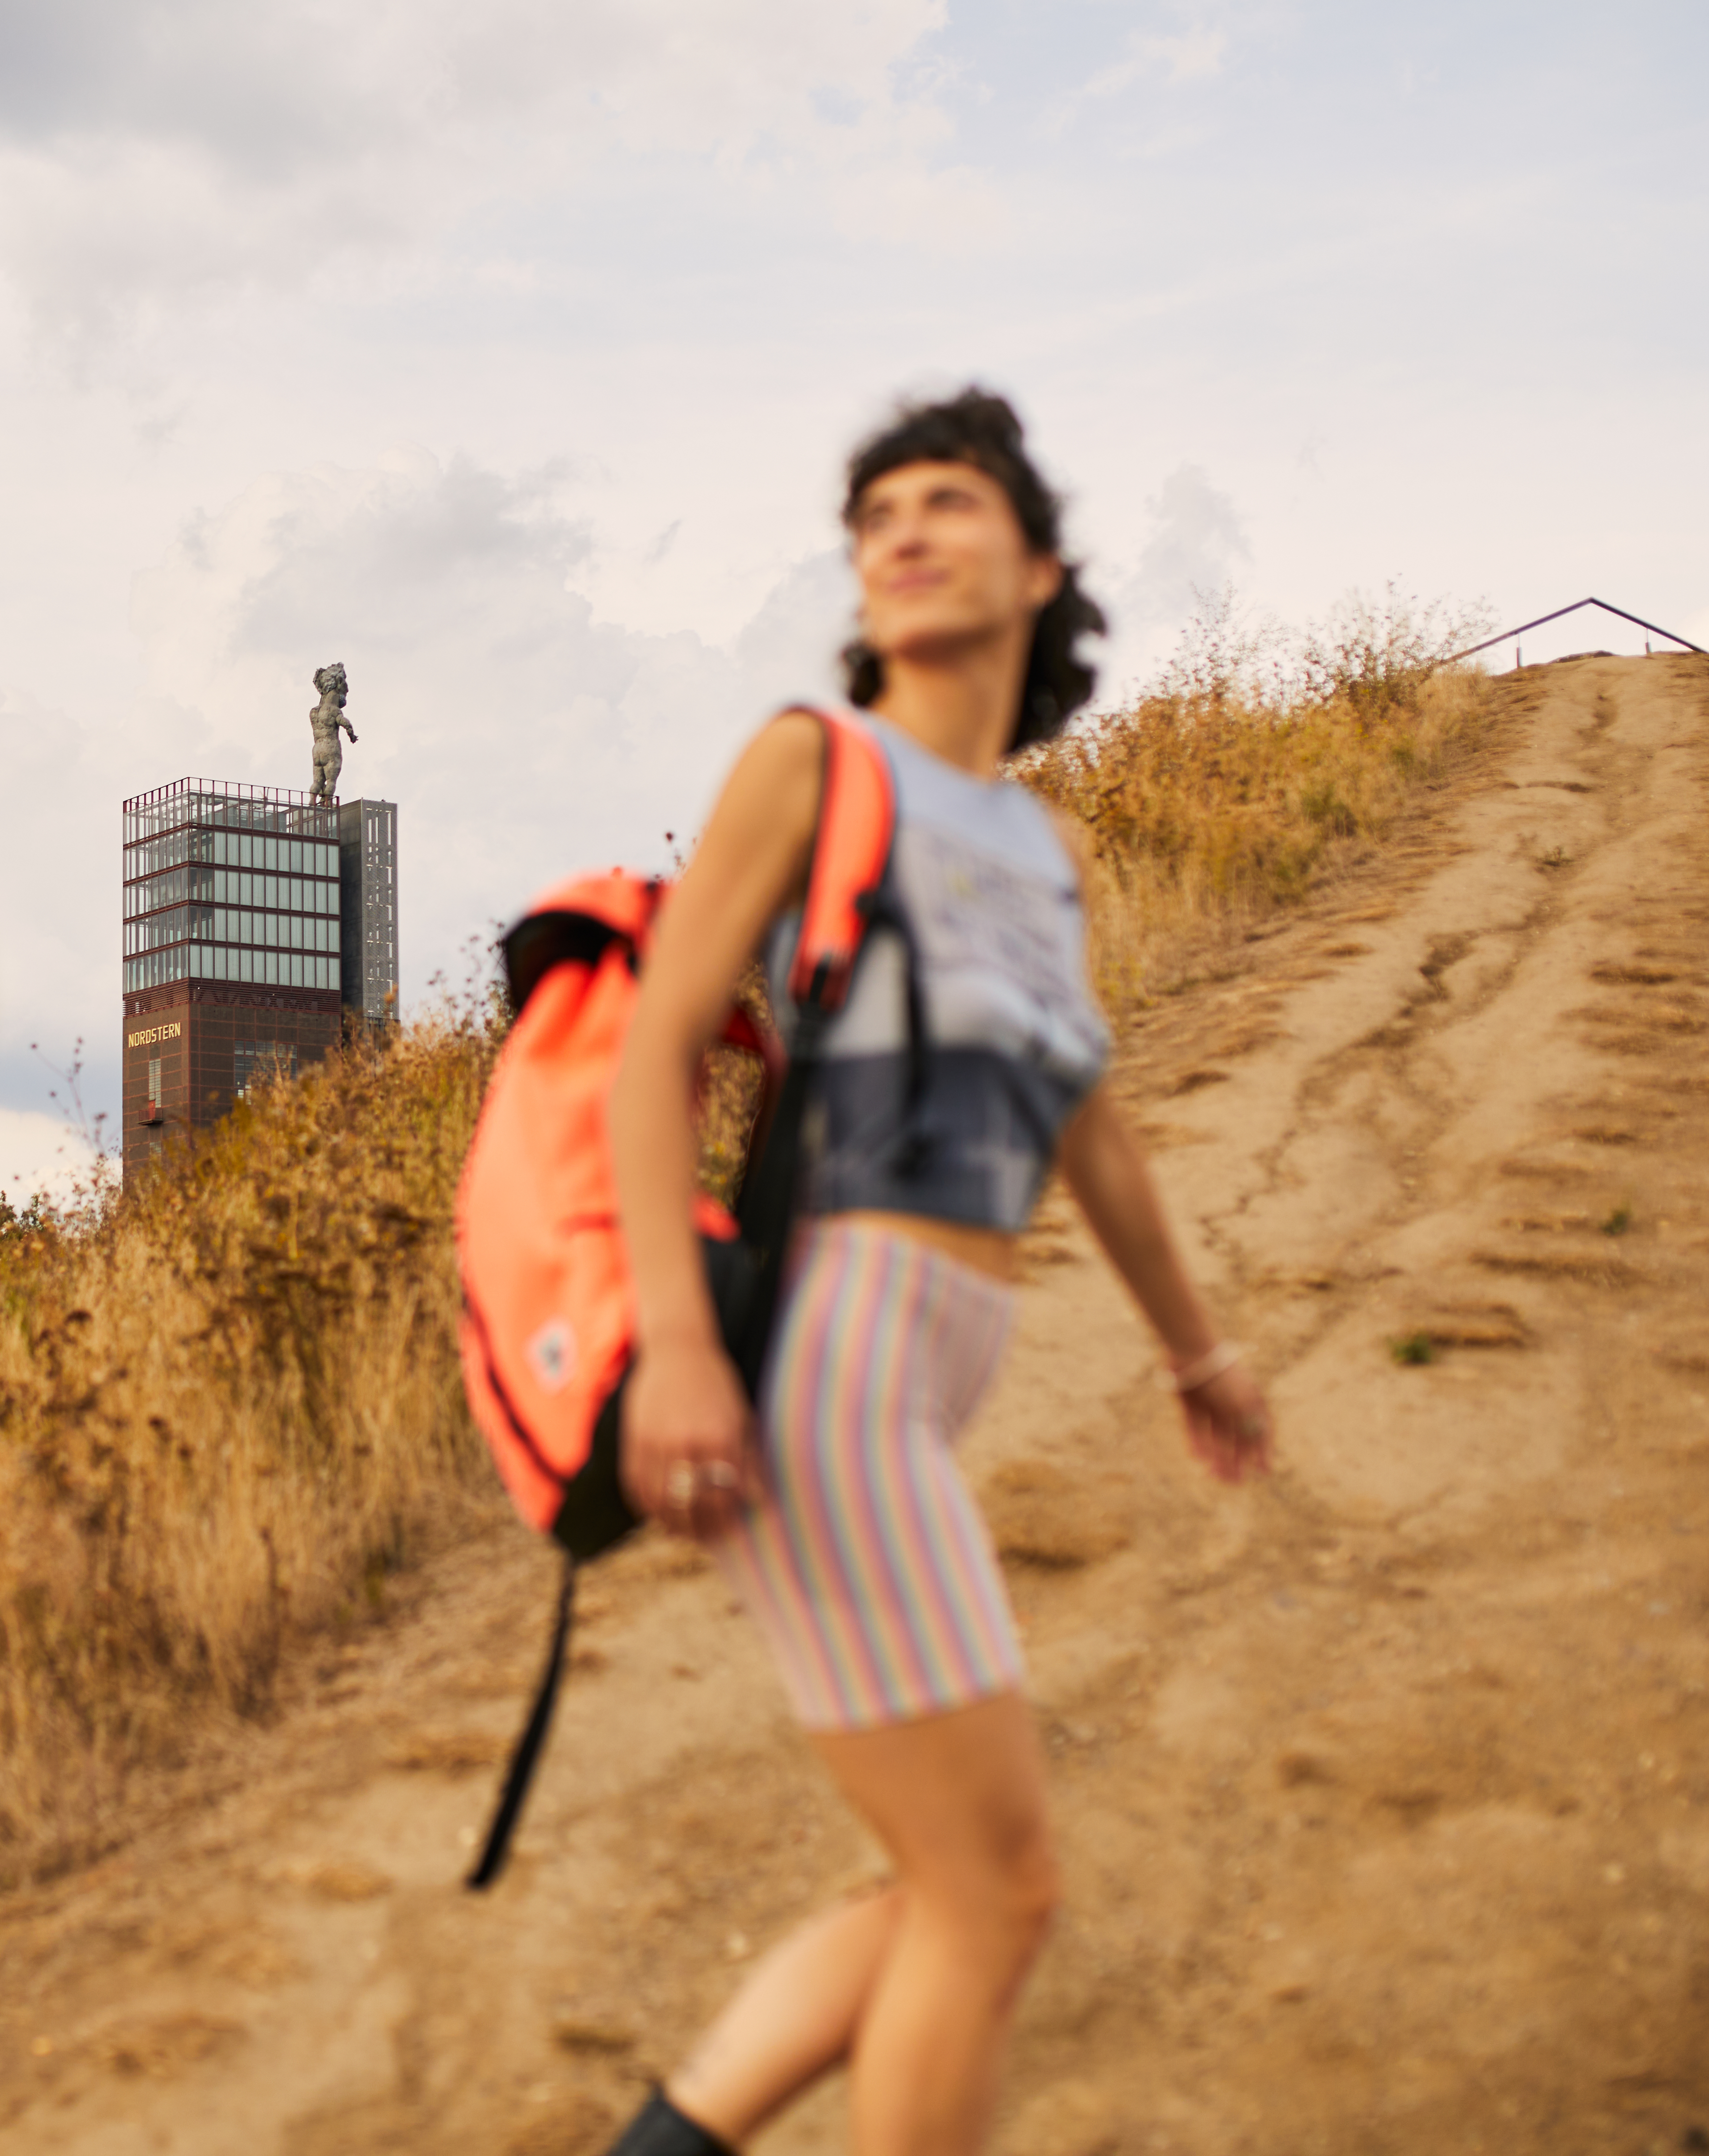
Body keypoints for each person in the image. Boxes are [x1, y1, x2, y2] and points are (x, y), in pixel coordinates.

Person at [598, 391, 1273, 2156]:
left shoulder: (1037, 849)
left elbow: (1091, 1130)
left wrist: (1198, 1359)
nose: (901, 530)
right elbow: (653, 1046)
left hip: (924, 1367)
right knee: (996, 1892)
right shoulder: (821, 764)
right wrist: (675, 1344)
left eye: (947, 501)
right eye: (875, 511)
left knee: (956, 1886)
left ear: (1038, 565)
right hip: (829, 1358)